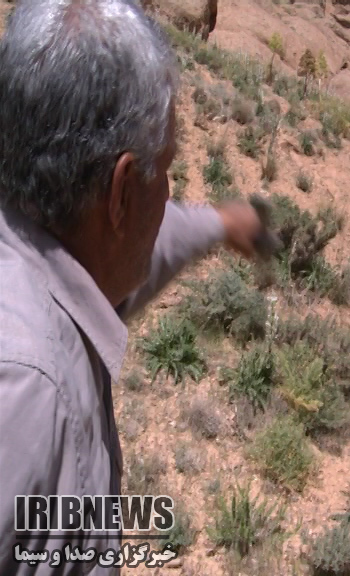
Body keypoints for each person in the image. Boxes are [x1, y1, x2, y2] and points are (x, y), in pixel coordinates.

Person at [0, 0, 265, 573]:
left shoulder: (47, 246)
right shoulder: (26, 391)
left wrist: (219, 224)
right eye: (164, 170)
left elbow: (136, 249)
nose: (167, 194)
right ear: (121, 191)